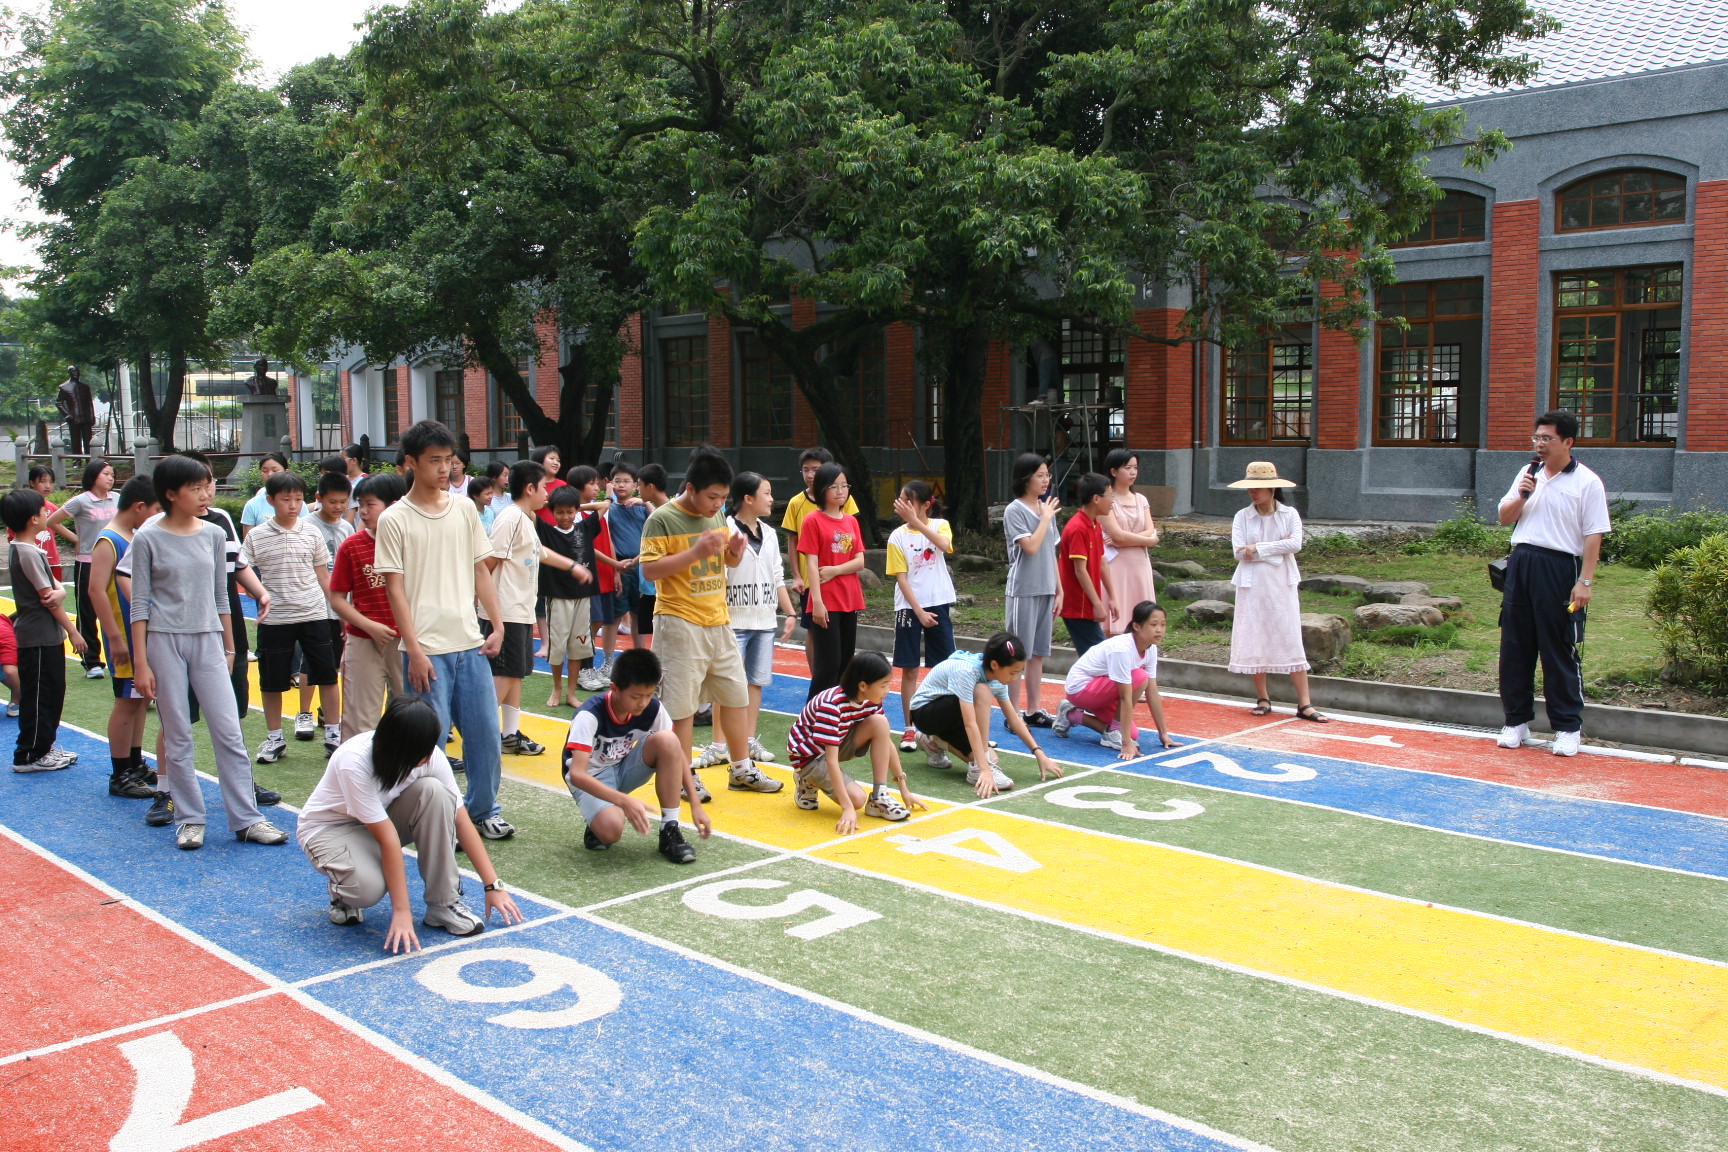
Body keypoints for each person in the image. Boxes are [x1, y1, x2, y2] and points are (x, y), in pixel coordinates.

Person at [128, 456, 288, 850]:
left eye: (207, 486)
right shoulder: (148, 537)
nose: (206, 494)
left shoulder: (215, 534)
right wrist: (141, 664)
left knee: (229, 731)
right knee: (178, 734)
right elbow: (140, 603)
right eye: (196, 488)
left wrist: (229, 646)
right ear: (171, 494)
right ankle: (190, 819)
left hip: (210, 639)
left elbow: (222, 595)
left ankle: (247, 819)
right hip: (164, 641)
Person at [375, 421, 515, 839]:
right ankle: (437, 818)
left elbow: (480, 570)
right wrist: (414, 650)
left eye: (448, 460)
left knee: (485, 735)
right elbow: (395, 589)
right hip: (426, 651)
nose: (443, 468)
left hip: (470, 644)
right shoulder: (394, 519)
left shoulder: (464, 509)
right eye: (433, 460)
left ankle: (483, 809)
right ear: (411, 463)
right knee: (429, 745)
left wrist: (498, 624)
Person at [300, 697, 524, 948]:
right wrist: (402, 912)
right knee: (367, 889)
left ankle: (443, 904)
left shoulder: (430, 756)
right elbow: (388, 840)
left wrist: (493, 886)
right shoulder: (354, 762)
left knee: (435, 792)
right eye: (424, 752)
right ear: (399, 747)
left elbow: (462, 821)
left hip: (379, 823)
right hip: (330, 830)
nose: (429, 757)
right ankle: (343, 894)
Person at [638, 445, 781, 800]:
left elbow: (724, 563)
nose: (718, 505)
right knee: (682, 706)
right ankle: (683, 776)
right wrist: (694, 552)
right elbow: (649, 571)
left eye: (723, 498)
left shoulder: (717, 517)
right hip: (679, 620)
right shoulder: (662, 519)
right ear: (690, 488)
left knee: (735, 696)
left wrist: (733, 553)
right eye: (712, 497)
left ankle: (741, 768)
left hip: (718, 619)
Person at [1496, 410, 1612, 757]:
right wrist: (1523, 495)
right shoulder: (1527, 473)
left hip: (1559, 567)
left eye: (1547, 438)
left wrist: (1584, 581)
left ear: (1568, 442)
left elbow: (1594, 534)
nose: (1539, 444)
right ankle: (1516, 721)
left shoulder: (1587, 482)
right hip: (1521, 563)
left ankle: (1567, 727)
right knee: (1515, 647)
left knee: (1558, 648)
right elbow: (1504, 518)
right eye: (1537, 437)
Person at [562, 647, 711, 862]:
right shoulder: (589, 714)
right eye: (636, 696)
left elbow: (677, 753)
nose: (643, 702)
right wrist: (623, 801)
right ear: (614, 688)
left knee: (668, 740)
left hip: (621, 766)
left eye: (649, 695)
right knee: (611, 831)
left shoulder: (652, 708)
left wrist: (695, 804)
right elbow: (577, 774)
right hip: (591, 777)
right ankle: (599, 821)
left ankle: (669, 828)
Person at [484, 459, 584, 756]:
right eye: (543, 487)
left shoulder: (525, 518)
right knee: (504, 674)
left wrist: (572, 566)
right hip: (505, 611)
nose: (547, 494)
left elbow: (540, 553)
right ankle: (480, 735)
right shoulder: (510, 518)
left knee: (515, 673)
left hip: (519, 611)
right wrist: (488, 608)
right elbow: (488, 563)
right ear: (530, 488)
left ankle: (510, 734)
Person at [243, 471, 341, 764]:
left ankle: (334, 735)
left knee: (327, 675)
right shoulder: (257, 536)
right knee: (271, 681)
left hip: (314, 614)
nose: (293, 505)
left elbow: (324, 577)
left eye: (298, 499)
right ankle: (275, 738)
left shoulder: (312, 533)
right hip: (275, 619)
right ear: (271, 500)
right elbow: (244, 573)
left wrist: (338, 613)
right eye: (286, 499)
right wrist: (260, 595)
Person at [702, 472, 796, 770]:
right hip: (732, 620)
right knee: (726, 684)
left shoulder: (769, 533)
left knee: (755, 682)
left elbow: (778, 576)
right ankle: (718, 746)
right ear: (748, 498)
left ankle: (748, 739)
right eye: (766, 493)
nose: (771, 499)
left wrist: (790, 613)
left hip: (765, 621)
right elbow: (717, 576)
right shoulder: (724, 529)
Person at [1226, 461, 1327, 723]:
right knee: (1254, 634)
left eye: (1259, 487)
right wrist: (1275, 549)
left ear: (1272, 488)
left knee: (1288, 634)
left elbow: (1295, 544)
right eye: (1250, 488)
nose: (1253, 492)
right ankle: (1263, 697)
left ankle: (1304, 702)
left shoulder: (1289, 514)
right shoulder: (1242, 516)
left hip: (1281, 582)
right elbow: (1239, 551)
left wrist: (1258, 548)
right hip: (1252, 583)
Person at [908, 633, 1063, 798]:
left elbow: (1014, 719)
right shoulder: (966, 671)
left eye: (1018, 673)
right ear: (995, 664)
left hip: (952, 719)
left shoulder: (996, 678)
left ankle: (931, 741)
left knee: (992, 758)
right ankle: (976, 768)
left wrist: (1039, 753)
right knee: (982, 691)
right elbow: (970, 723)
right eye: (1013, 672)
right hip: (925, 714)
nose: (1015, 678)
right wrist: (984, 768)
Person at [787, 651, 922, 834]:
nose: (887, 690)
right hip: (810, 757)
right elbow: (831, 760)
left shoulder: (871, 700)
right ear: (863, 685)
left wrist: (904, 789)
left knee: (880, 723)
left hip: (836, 743)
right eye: (883, 685)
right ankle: (806, 777)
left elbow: (885, 741)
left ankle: (879, 796)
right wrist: (847, 808)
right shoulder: (831, 704)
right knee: (856, 800)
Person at [3, 489, 86, 772]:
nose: (47, 513)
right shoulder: (26, 552)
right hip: (37, 636)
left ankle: (43, 748)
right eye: (43, 510)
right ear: (32, 519)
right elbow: (48, 598)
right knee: (41, 696)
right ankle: (30, 754)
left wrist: (59, 592)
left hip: (44, 635)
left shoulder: (28, 549)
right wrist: (73, 631)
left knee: (51, 692)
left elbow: (55, 589)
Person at [88, 477, 160, 798]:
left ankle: (134, 761)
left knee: (140, 698)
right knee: (126, 702)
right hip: (124, 635)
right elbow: (95, 590)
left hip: (139, 633)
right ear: (139, 507)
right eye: (155, 510)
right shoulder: (109, 540)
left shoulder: (133, 535)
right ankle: (119, 774)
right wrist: (115, 637)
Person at [329, 473, 407, 740]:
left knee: (409, 714)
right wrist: (369, 626)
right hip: (363, 639)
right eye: (360, 504)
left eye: (370, 504)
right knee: (360, 720)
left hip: (407, 641)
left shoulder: (413, 543)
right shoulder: (352, 546)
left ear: (394, 505)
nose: (362, 511)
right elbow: (337, 598)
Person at [1054, 600, 1178, 757]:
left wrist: (1163, 734)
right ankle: (1114, 731)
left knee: (1132, 734)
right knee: (1140, 676)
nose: (1159, 630)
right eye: (1153, 625)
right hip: (1080, 689)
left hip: (1101, 690)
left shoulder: (1151, 649)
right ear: (1137, 626)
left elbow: (1152, 692)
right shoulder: (1122, 649)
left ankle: (1070, 714)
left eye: (1163, 625)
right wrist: (1125, 744)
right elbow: (1125, 697)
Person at [887, 481, 956, 751]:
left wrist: (917, 522)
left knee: (944, 668)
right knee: (910, 669)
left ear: (926, 504)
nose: (902, 505)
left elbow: (945, 545)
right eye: (901, 499)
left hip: (938, 602)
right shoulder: (897, 537)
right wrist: (918, 611)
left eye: (909, 501)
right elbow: (901, 577)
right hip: (908, 608)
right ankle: (909, 728)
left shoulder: (940, 525)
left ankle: (945, 728)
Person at [781, 447, 860, 675]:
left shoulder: (847, 511)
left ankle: (835, 689)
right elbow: (793, 541)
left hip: (845, 589)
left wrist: (836, 570)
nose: (810, 475)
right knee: (817, 637)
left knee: (844, 655)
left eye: (815, 469)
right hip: (814, 584)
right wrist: (798, 576)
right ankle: (818, 679)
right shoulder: (801, 507)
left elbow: (857, 553)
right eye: (806, 470)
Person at [1003, 454, 1062, 727]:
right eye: (1040, 475)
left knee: (1038, 652)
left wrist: (1059, 590)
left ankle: (1034, 709)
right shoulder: (1014, 510)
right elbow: (1031, 547)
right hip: (1023, 589)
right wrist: (1044, 518)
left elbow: (1051, 552)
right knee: (1019, 652)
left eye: (1047, 475)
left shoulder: (1045, 509)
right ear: (1026, 478)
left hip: (1046, 588)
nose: (1046, 480)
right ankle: (1013, 713)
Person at [798, 462, 866, 700]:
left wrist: (835, 570)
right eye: (834, 486)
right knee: (828, 664)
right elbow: (811, 564)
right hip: (825, 600)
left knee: (846, 662)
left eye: (844, 486)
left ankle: (838, 712)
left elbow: (860, 561)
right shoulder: (813, 520)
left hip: (850, 597)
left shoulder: (851, 521)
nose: (841, 491)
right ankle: (813, 713)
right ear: (822, 488)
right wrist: (816, 602)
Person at [50, 457, 118, 677]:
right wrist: (76, 540)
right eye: (106, 474)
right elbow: (52, 521)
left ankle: (119, 656)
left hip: (116, 561)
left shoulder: (117, 499)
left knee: (116, 607)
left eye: (112, 475)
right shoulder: (81, 501)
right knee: (87, 611)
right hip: (88, 562)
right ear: (93, 476)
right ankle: (92, 661)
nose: (110, 478)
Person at [539, 482, 600, 705]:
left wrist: (579, 505)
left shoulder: (585, 527)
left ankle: (571, 693)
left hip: (582, 597)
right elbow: (530, 511)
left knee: (578, 647)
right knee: (557, 647)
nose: (565, 517)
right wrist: (551, 501)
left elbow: (604, 505)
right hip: (557, 597)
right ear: (552, 511)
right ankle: (557, 688)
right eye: (559, 512)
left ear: (577, 510)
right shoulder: (546, 531)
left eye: (570, 511)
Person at [310, 472, 356, 750]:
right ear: (319, 499)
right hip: (316, 608)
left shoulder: (347, 529)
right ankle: (320, 716)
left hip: (342, 608)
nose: (338, 507)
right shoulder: (308, 526)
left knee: (340, 665)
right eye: (332, 502)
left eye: (343, 502)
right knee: (321, 667)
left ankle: (330, 717)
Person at [1099, 450, 1161, 633]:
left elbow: (1150, 530)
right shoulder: (1105, 500)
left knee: (1143, 622)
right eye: (1127, 468)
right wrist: (1148, 540)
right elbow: (1117, 535)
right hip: (1116, 565)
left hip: (1140, 564)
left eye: (1135, 467)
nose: (1133, 472)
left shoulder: (1141, 499)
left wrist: (1134, 540)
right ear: (1113, 471)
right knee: (1115, 624)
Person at [1059, 472, 1115, 657]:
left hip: (1087, 602)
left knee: (1094, 657)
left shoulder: (1095, 524)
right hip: (1078, 604)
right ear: (1096, 499)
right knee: (1098, 658)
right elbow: (1080, 570)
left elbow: (1102, 562)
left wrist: (1112, 597)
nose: (1112, 501)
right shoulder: (1078, 528)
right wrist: (1097, 603)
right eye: (1110, 496)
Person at [606, 461, 650, 647]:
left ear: (635, 485)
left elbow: (659, 521)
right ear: (611, 483)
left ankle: (641, 656)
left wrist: (645, 502)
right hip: (619, 567)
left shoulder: (643, 509)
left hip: (642, 566)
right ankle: (608, 660)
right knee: (614, 617)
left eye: (626, 481)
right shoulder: (608, 509)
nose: (621, 485)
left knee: (640, 616)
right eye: (617, 481)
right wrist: (608, 497)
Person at [630, 463, 671, 646]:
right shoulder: (660, 512)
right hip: (652, 587)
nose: (637, 489)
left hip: (664, 590)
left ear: (650, 487)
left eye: (639, 485)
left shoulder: (661, 516)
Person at [10, 466, 64, 584]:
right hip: (31, 559)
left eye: (51, 482)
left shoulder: (53, 508)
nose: (48, 486)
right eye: (43, 481)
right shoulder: (23, 506)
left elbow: (58, 528)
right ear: (32, 483)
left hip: (52, 560)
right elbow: (12, 533)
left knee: (54, 589)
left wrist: (76, 540)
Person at [239, 452, 291, 535]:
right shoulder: (252, 505)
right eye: (265, 471)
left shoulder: (298, 503)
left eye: (275, 470)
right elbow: (248, 539)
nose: (270, 474)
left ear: (286, 472)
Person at [56, 365, 97, 455]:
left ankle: (89, 459)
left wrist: (92, 416)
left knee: (88, 440)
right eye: (73, 371)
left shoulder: (85, 387)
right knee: (75, 440)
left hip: (86, 418)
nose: (76, 373)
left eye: (77, 371)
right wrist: (67, 414)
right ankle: (77, 460)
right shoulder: (64, 387)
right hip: (73, 418)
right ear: (69, 373)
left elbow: (90, 403)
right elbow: (59, 403)